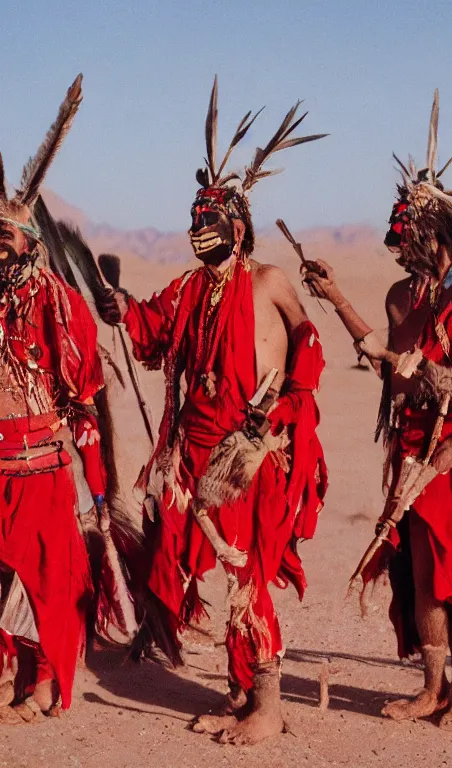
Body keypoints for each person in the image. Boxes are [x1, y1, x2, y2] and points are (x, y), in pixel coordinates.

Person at [96, 78, 327, 745]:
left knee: (244, 568)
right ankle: (239, 691)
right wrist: (122, 308)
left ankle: (271, 705)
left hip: (248, 448)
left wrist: (281, 407)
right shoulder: (191, 287)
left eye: (210, 220)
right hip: (192, 449)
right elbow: (152, 329)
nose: (199, 229)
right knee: (197, 557)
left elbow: (308, 342)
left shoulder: (266, 281)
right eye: (194, 220)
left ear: (238, 224)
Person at [304, 91, 452, 728]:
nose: (404, 251)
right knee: (421, 569)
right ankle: (432, 688)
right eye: (400, 242)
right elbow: (391, 365)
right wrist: (337, 296)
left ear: (443, 234)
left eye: (413, 239)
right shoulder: (401, 296)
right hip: (414, 450)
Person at [0, 75, 115, 720]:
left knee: (46, 582)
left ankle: (44, 686)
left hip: (41, 468)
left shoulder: (57, 304)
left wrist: (97, 490)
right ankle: (10, 677)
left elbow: (85, 401)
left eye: (5, 240)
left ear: (30, 245)